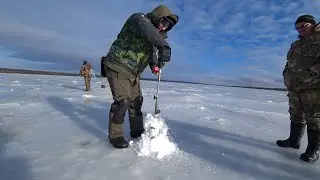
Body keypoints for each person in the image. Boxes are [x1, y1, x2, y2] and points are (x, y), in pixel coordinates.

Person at [101, 5, 179, 148]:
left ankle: (137, 130)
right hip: (117, 65)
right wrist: (163, 44)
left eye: (167, 26)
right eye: (163, 22)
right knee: (122, 102)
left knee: (136, 101)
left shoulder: (156, 36)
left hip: (133, 72)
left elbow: (153, 54)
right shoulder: (139, 19)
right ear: (157, 17)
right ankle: (115, 136)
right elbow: (149, 32)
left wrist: (156, 64)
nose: (164, 27)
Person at [276, 14, 320, 163]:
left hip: (313, 88)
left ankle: (313, 151)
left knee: (314, 118)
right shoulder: (296, 44)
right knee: (295, 115)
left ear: (312, 24)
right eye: (297, 27)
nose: (300, 29)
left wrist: (311, 74)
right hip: (294, 87)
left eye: (303, 25)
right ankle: (293, 141)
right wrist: (286, 74)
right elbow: (290, 63)